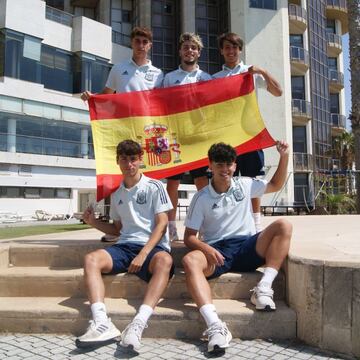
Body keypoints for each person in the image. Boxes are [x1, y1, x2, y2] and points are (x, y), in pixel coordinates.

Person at [182, 141, 292, 354]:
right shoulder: (201, 197)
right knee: (189, 260)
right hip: (217, 251)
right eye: (220, 164)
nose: (225, 169)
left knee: (283, 225)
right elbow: (188, 238)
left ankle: (263, 286)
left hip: (247, 246)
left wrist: (284, 156)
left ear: (235, 165)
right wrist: (206, 248)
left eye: (229, 164)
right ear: (210, 166)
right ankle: (214, 325)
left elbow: (276, 185)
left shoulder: (245, 184)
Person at [76, 140, 174, 351]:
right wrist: (93, 222)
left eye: (133, 159)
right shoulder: (117, 193)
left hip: (151, 248)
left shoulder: (154, 186)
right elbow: (118, 230)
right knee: (91, 259)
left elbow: (163, 224)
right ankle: (102, 323)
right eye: (124, 159)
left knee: (165, 260)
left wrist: (143, 253)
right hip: (125, 246)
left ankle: (139, 322)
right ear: (118, 162)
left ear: (140, 161)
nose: (129, 164)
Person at [81, 26, 163, 242]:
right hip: (123, 130)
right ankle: (116, 229)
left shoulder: (158, 73)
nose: (141, 45)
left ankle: (151, 227)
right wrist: (92, 98)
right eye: (137, 41)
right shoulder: (118, 68)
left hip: (148, 132)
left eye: (145, 41)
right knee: (118, 174)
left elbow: (163, 103)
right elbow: (106, 96)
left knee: (149, 177)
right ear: (132, 43)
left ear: (150, 45)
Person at [213, 32, 282, 232]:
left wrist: (261, 70)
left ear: (240, 50)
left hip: (250, 136)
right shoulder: (214, 78)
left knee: (254, 181)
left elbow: (278, 92)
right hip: (227, 139)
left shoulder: (251, 74)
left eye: (234, 47)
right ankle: (227, 224)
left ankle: (257, 225)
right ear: (221, 51)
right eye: (227, 47)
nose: (231, 51)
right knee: (226, 180)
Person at [163, 32, 212, 242]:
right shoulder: (169, 78)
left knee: (201, 182)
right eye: (186, 47)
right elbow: (161, 106)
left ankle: (205, 227)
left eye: (193, 47)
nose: (189, 50)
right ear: (180, 51)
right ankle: (171, 227)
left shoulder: (206, 78)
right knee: (172, 183)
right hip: (175, 136)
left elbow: (212, 109)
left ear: (198, 52)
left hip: (199, 137)